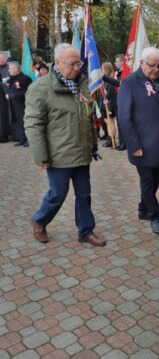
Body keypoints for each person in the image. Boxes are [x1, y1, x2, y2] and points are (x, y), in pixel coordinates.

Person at [24, 43, 106, 247]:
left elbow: (87, 119)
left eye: (79, 63)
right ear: (57, 63)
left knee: (84, 195)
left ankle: (86, 231)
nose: (77, 67)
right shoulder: (41, 88)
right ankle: (39, 220)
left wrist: (93, 146)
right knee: (58, 194)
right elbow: (34, 124)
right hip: (58, 155)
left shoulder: (81, 84)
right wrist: (41, 156)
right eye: (72, 64)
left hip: (81, 152)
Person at [118, 47, 159, 236]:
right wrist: (133, 144)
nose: (155, 69)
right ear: (141, 63)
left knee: (155, 180)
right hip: (142, 144)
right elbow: (124, 117)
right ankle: (154, 216)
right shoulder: (129, 83)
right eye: (151, 65)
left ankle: (143, 208)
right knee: (146, 181)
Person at [6, 61, 32, 147]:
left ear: (16, 69)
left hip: (23, 104)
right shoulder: (12, 78)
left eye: (10, 68)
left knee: (25, 122)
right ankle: (22, 138)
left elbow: (28, 92)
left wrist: (13, 95)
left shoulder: (25, 78)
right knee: (19, 122)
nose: (8, 70)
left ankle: (29, 139)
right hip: (14, 104)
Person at [99, 62, 118, 148]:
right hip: (105, 104)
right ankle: (110, 139)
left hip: (110, 105)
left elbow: (109, 93)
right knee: (108, 122)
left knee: (111, 122)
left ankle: (112, 140)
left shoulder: (110, 80)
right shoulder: (104, 81)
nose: (101, 71)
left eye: (103, 69)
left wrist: (104, 97)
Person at [0, 53, 10, 142]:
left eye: (3, 59)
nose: (2, 61)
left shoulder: (9, 67)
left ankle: (7, 134)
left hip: (8, 93)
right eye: (0, 59)